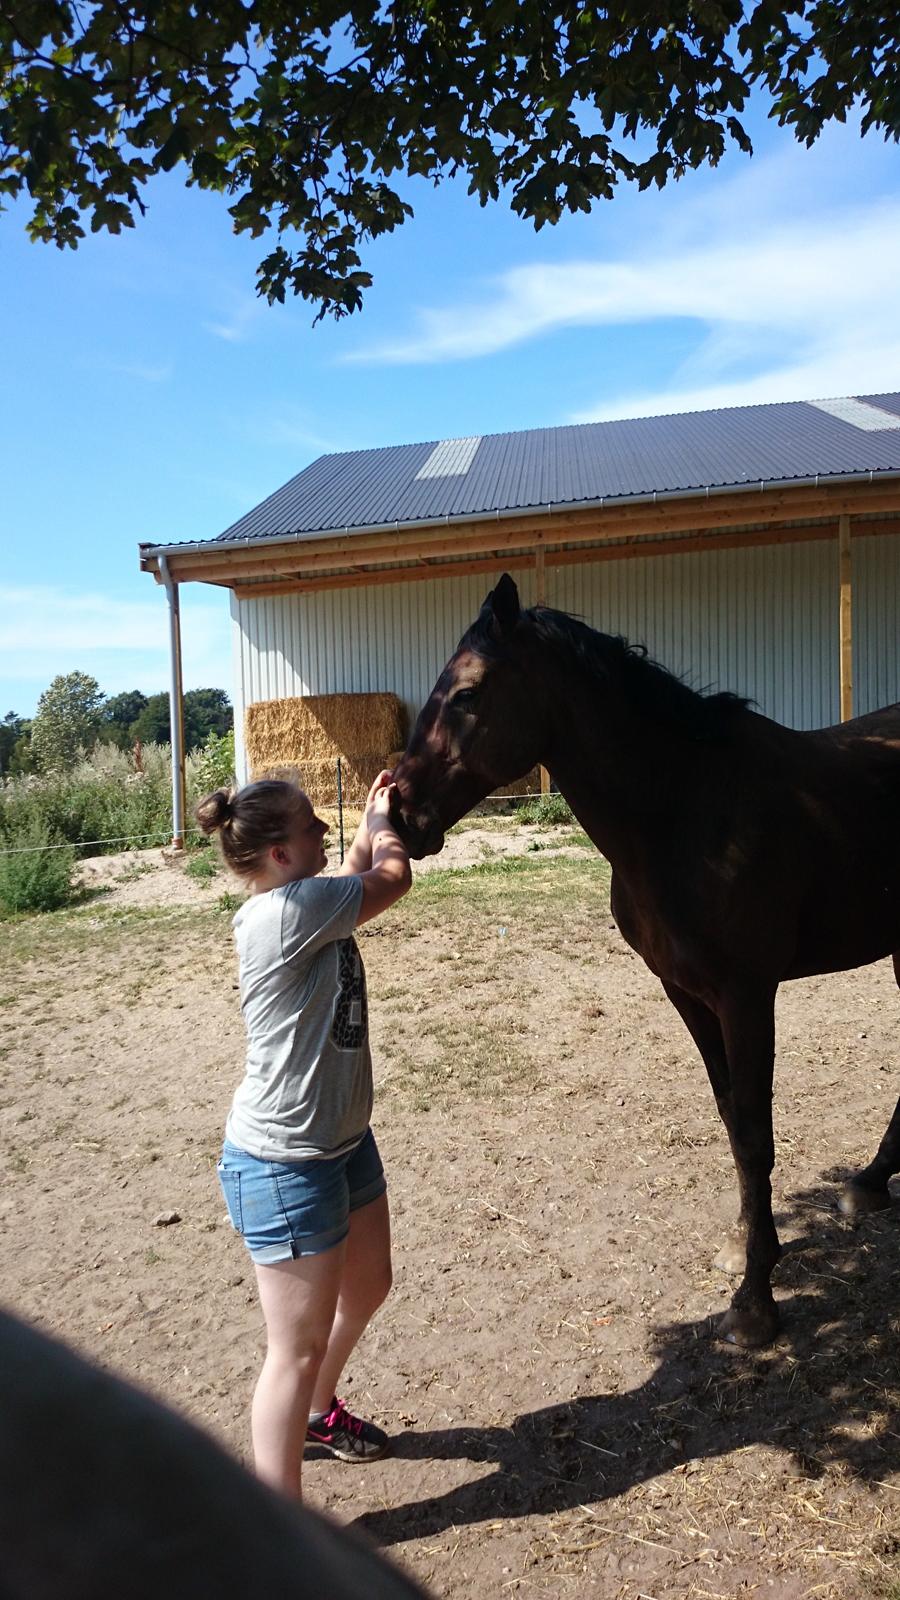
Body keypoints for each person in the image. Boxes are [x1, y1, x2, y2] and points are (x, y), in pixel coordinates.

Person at [195, 769, 412, 1503]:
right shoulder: (288, 913)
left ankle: (320, 1415)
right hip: (284, 1162)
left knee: (371, 1285)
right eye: (312, 824)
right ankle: (278, 1536)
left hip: (342, 1142)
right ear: (281, 855)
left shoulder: (301, 901)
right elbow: (390, 878)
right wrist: (384, 821)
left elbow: (351, 877)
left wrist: (360, 836)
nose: (324, 831)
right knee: (293, 1350)